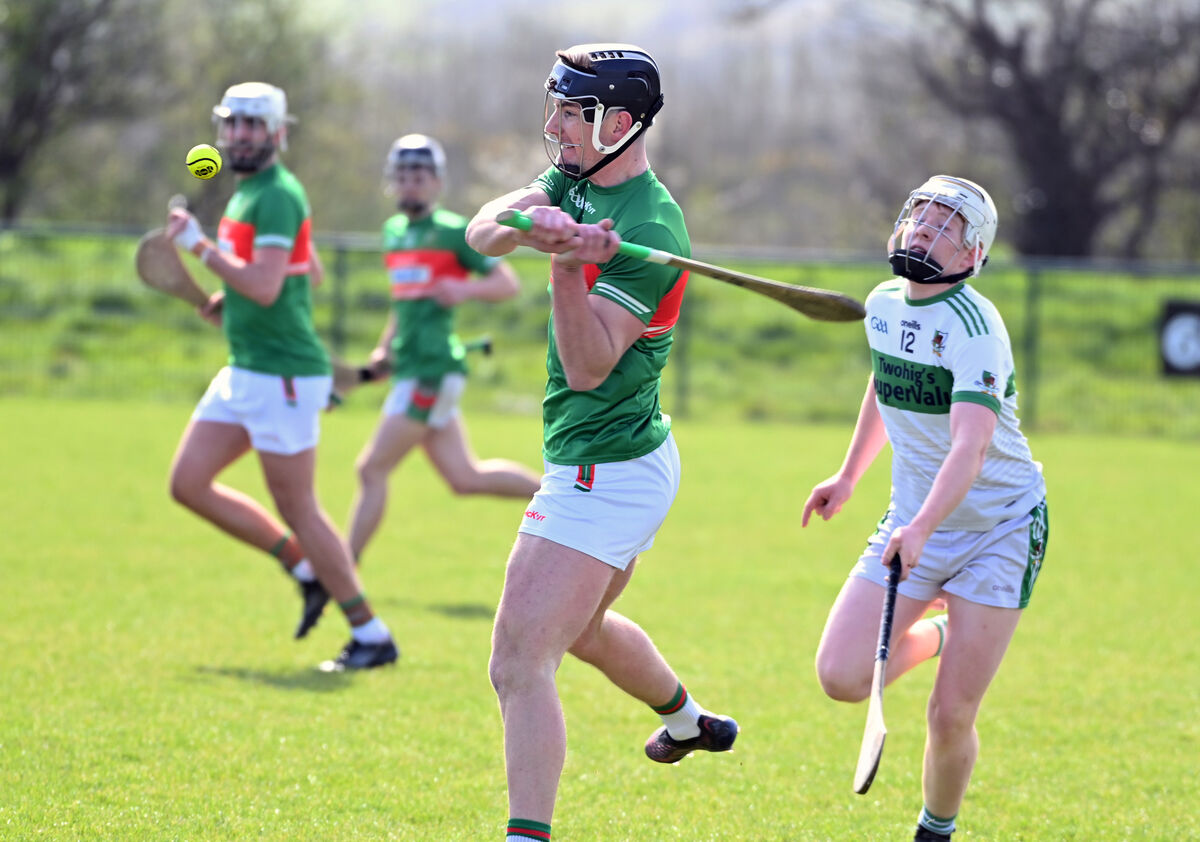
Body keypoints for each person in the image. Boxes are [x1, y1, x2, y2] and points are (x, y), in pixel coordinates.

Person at [465, 44, 738, 842]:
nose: (552, 127)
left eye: (570, 115)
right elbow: (482, 230)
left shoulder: (652, 226)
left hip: (605, 470)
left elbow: (587, 369)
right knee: (579, 632)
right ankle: (688, 722)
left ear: (619, 123)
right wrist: (532, 222)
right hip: (623, 458)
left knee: (518, 660)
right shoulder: (572, 181)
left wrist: (561, 270)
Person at [801, 175, 1048, 841]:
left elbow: (970, 448)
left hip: (997, 528)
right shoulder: (883, 304)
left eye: (947, 229)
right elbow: (887, 383)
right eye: (922, 218)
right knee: (841, 675)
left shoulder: (976, 328)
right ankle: (941, 633)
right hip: (913, 520)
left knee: (950, 714)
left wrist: (921, 528)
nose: (926, 233)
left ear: (972, 257)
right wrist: (850, 476)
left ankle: (935, 829)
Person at [165, 81, 398, 671]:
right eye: (233, 124)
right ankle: (302, 567)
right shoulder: (248, 197)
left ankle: (371, 634)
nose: (240, 135)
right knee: (188, 483)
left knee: (301, 507)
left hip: (283, 376)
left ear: (277, 133)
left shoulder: (277, 194)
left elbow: (268, 285)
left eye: (253, 124)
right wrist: (227, 298)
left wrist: (199, 249)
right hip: (246, 368)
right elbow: (306, 273)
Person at [345, 134, 541, 564]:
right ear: (391, 183)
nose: (411, 184)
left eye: (420, 175)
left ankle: (338, 572)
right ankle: (554, 497)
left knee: (370, 468)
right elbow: (403, 306)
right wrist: (385, 350)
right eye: (403, 176)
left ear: (436, 183)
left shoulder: (454, 232)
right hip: (412, 366)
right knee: (464, 477)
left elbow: (507, 284)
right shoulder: (394, 233)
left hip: (431, 371)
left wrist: (463, 287)